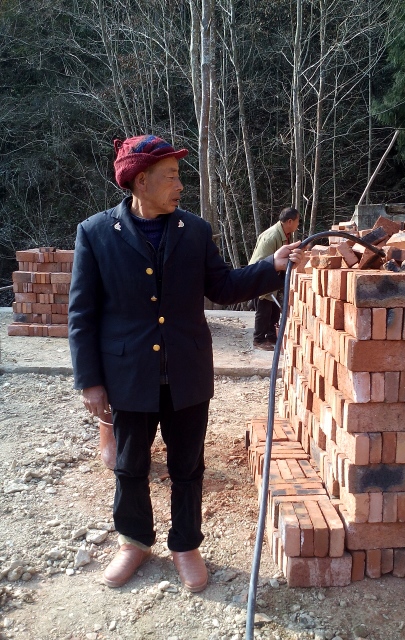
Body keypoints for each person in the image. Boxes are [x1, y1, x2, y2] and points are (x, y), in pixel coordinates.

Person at [68, 134, 304, 592]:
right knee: (130, 467)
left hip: (187, 373)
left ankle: (185, 544)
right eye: (171, 176)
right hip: (128, 376)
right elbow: (82, 315)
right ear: (140, 180)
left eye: (180, 176)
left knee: (188, 467)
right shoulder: (95, 233)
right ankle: (134, 541)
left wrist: (270, 266)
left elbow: (223, 286)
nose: (180, 185)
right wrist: (90, 381)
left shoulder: (194, 230)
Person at [248, 207, 300, 350]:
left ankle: (272, 336)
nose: (298, 224)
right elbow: (259, 262)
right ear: (290, 221)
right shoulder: (272, 236)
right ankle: (258, 340)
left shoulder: (284, 234)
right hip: (261, 276)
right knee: (264, 309)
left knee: (274, 309)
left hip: (272, 276)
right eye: (297, 221)